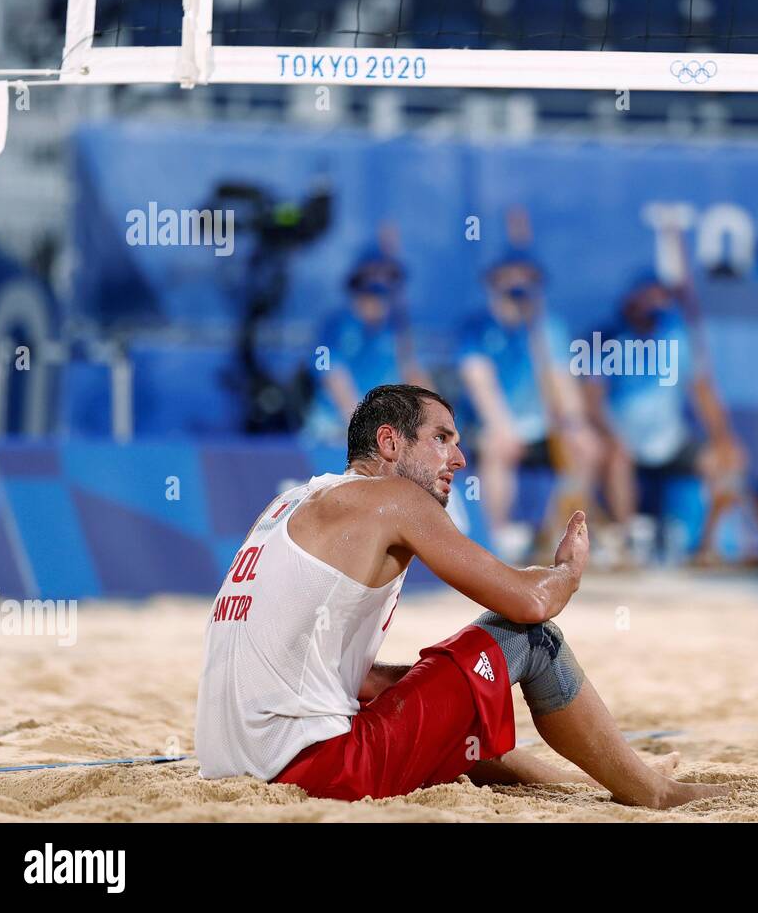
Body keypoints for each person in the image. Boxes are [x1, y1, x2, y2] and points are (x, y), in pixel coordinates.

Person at [195, 384, 726, 808]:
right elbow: (528, 603)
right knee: (530, 641)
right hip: (319, 770)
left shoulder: (289, 502)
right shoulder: (395, 498)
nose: (461, 457)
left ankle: (584, 784)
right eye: (443, 439)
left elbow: (352, 678)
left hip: (234, 764)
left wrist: (444, 682)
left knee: (460, 704)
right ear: (389, 443)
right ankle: (653, 791)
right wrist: (567, 571)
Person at [585, 272, 758, 564]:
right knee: (616, 458)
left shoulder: (676, 339)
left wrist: (723, 439)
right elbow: (591, 400)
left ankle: (707, 549)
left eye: (660, 298)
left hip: (671, 440)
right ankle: (626, 543)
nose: (654, 306)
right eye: (647, 297)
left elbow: (703, 394)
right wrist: (610, 436)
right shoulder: (607, 339)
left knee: (725, 461)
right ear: (631, 301)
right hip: (623, 441)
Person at [457, 250, 601, 561]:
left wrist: (575, 424)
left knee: (585, 448)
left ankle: (557, 538)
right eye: (510, 276)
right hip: (492, 423)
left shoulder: (549, 328)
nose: (517, 283)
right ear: (494, 282)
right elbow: (479, 381)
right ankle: (495, 541)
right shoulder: (476, 328)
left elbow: (563, 382)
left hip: (543, 425)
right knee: (497, 447)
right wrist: (502, 427)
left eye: (525, 277)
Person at [305, 239, 428, 443]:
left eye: (390, 278)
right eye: (375, 276)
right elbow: (336, 384)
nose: (382, 284)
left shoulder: (396, 328)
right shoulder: (335, 326)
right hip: (334, 431)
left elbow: (414, 376)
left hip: (385, 431)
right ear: (359, 279)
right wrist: (369, 433)